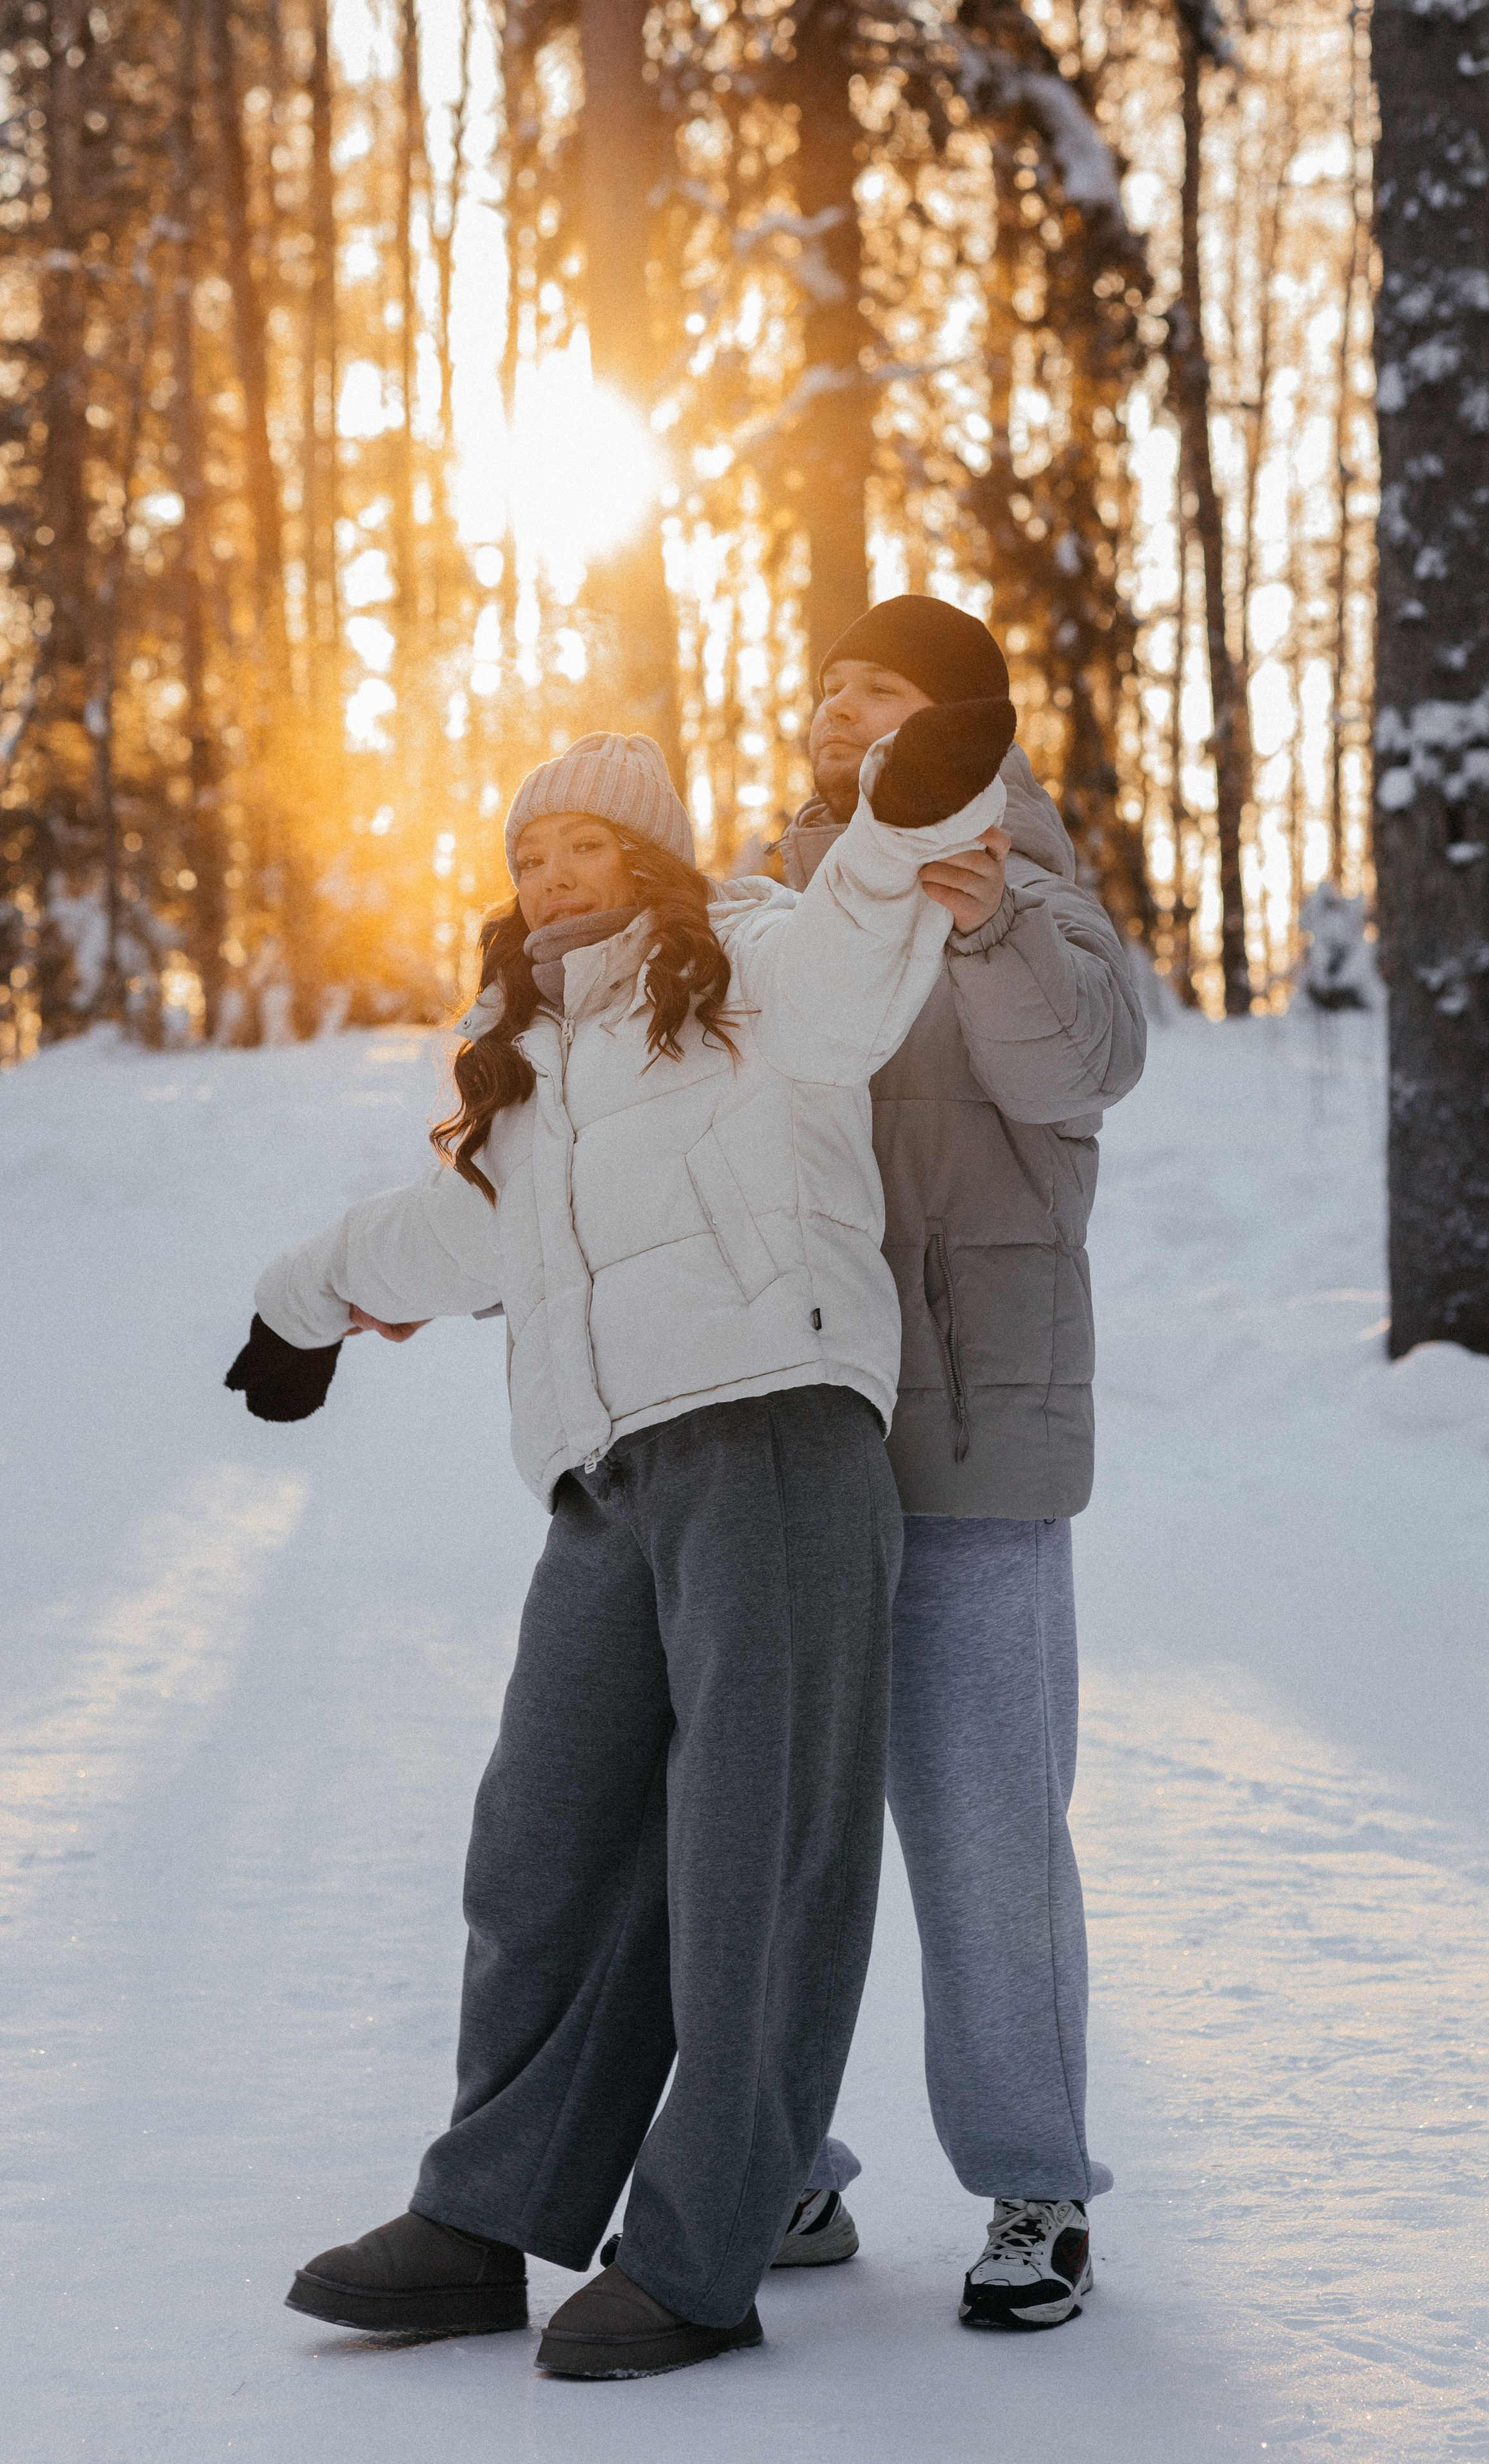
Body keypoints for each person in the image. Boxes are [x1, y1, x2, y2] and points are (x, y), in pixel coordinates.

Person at [224, 713, 1018, 2379]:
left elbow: (860, 961)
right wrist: (297, 1303)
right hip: (605, 1473)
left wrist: (898, 818)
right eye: (527, 853)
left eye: (583, 841)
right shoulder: (532, 1057)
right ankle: (485, 2212)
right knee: (542, 1841)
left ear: (647, 851)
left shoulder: (746, 956)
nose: (552, 873)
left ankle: (704, 2243)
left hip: (776, 1433)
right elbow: (455, 1229)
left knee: (759, 1855)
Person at [776, 595, 1148, 2331]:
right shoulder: (782, 899)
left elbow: (1083, 1072)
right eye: (829, 681)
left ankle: (1034, 2189)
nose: (840, 704)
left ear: (964, 722)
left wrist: (988, 922)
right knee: (765, 1834)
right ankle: (770, 2167)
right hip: (793, 1428)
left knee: (990, 1836)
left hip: (983, 1436)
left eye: (881, 683)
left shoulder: (1038, 895)